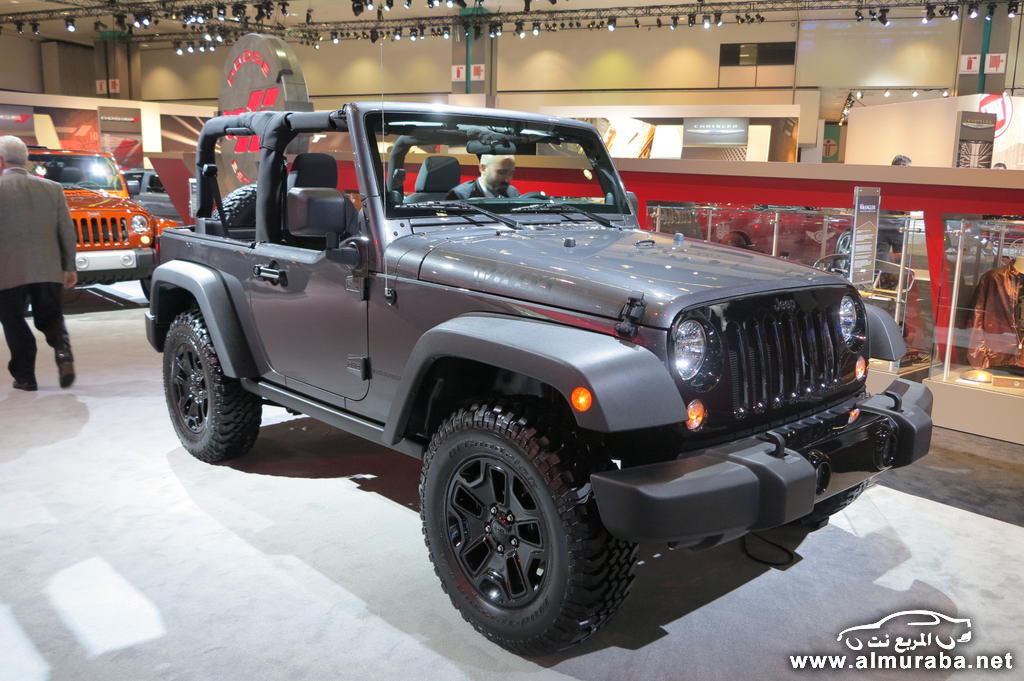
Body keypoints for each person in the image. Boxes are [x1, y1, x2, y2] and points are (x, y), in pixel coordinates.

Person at [0, 135, 77, 391]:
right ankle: (63, 353)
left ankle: (25, 377)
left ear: (1, 161)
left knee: (13, 320)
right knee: (51, 316)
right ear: (26, 160)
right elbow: (66, 230)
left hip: (7, 272)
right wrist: (69, 266)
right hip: (48, 268)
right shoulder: (52, 188)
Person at [448, 154, 520, 199]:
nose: (508, 179)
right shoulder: (461, 195)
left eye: (511, 173)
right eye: (501, 172)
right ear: (483, 168)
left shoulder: (513, 193)